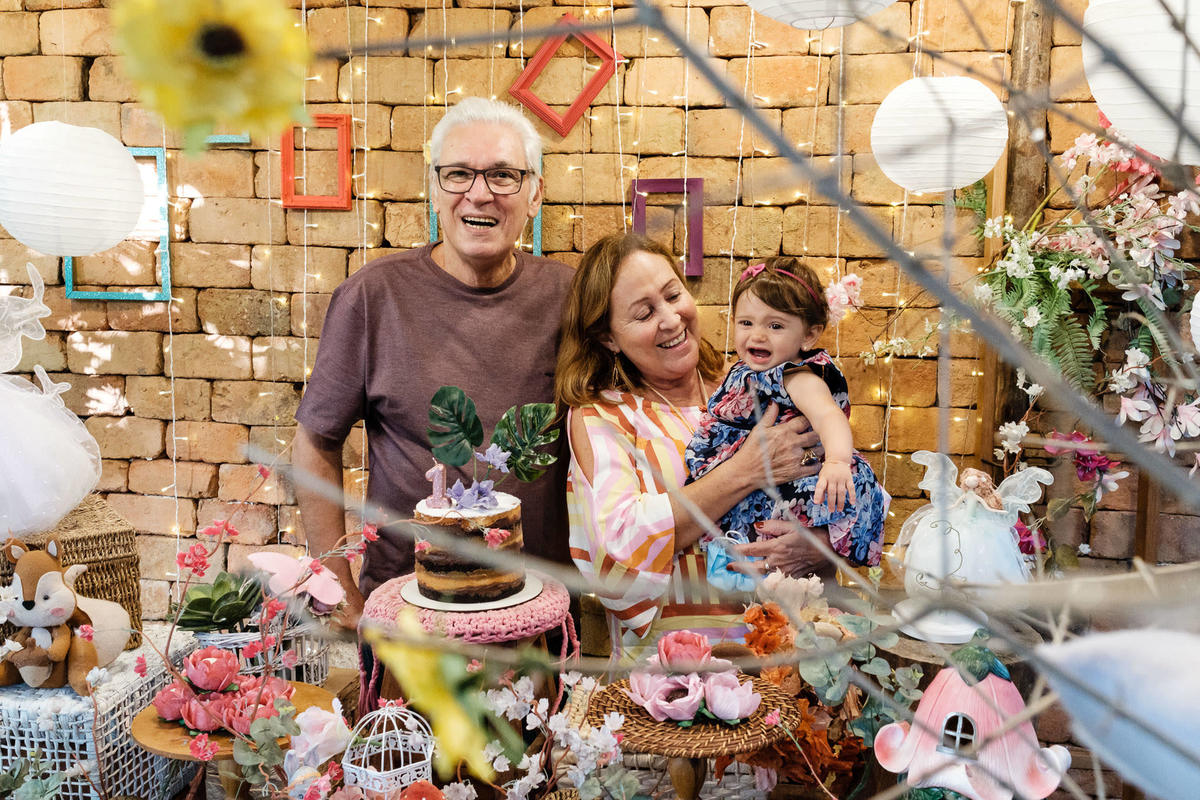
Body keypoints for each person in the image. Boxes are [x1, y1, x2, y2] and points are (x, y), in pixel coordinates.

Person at [293, 97, 574, 630]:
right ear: (434, 189)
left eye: (504, 175)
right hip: (407, 610)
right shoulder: (373, 297)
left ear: (535, 193)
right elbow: (315, 442)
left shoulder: (573, 297)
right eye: (459, 174)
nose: (480, 192)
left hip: (543, 610)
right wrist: (339, 590)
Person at [555, 233, 830, 658]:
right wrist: (745, 469)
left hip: (789, 658)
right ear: (609, 338)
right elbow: (621, 542)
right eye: (644, 313)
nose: (670, 319)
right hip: (675, 683)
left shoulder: (747, 383)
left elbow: (829, 476)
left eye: (672, 295)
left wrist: (819, 543)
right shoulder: (604, 416)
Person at [685, 257, 889, 575]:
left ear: (808, 336)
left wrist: (836, 461)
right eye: (746, 323)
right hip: (759, 477)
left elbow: (828, 415)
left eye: (775, 326)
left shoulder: (796, 376)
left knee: (779, 552)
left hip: (790, 481)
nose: (757, 336)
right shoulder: (745, 370)